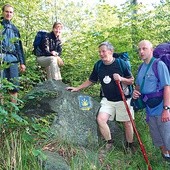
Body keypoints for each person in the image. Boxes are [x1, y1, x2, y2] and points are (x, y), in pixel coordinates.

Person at [66, 42, 135, 152]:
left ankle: (129, 146)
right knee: (101, 119)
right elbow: (91, 80)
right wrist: (77, 88)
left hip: (123, 98)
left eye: (103, 51)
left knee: (127, 122)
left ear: (110, 51)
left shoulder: (121, 63)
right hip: (107, 99)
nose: (101, 54)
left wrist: (121, 79)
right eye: (99, 52)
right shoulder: (98, 65)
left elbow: (131, 80)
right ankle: (109, 142)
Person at [132, 40, 170, 162]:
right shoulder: (141, 68)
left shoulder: (159, 65)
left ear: (151, 50)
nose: (141, 51)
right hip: (149, 109)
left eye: (144, 48)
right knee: (157, 138)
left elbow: (167, 87)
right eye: (139, 49)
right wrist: (135, 92)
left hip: (161, 108)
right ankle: (166, 157)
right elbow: (138, 87)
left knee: (167, 136)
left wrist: (166, 109)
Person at [0, 4, 26, 103]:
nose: (8, 14)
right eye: (7, 11)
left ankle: (13, 111)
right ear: (3, 12)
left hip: (13, 59)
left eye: (11, 12)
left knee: (14, 86)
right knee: (0, 85)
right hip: (1, 58)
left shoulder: (15, 29)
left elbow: (19, 47)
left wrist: (22, 63)